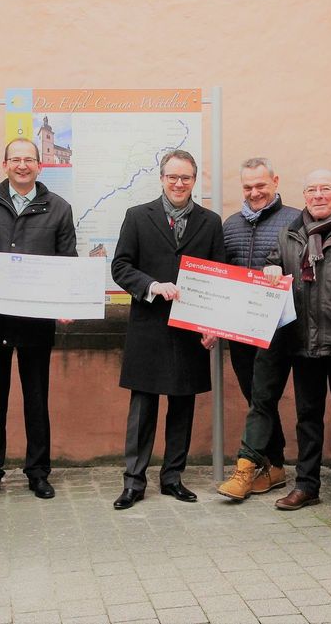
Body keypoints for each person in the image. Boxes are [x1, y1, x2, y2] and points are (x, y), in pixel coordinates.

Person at [239, 169, 331, 516]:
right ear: (304, 196)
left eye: (325, 189)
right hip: (303, 342)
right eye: (311, 189)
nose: (318, 195)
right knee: (308, 418)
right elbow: (273, 266)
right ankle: (306, 485)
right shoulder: (289, 235)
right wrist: (270, 269)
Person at [0, 138, 77, 502]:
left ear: (40, 165)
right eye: (16, 159)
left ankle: (38, 473)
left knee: (36, 399)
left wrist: (66, 302)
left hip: (36, 319)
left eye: (29, 159)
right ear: (5, 164)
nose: (22, 165)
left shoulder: (59, 208)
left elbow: (68, 260)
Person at [111, 150, 224, 510]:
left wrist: (213, 325)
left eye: (185, 178)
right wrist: (152, 286)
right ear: (161, 178)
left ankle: (173, 477)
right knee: (142, 409)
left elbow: (218, 277)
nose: (179, 183)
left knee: (182, 407)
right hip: (149, 326)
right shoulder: (137, 216)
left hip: (190, 330)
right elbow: (120, 266)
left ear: (194, 181)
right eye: (172, 177)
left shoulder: (210, 222)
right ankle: (133, 482)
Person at [217, 157, 299, 497]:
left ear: (275, 182)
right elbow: (221, 274)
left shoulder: (295, 220)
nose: (254, 193)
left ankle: (246, 467)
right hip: (239, 328)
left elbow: (305, 269)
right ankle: (275, 467)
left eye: (261, 185)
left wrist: (283, 270)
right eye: (248, 187)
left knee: (263, 396)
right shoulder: (231, 225)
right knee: (255, 396)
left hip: (278, 328)